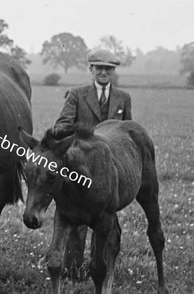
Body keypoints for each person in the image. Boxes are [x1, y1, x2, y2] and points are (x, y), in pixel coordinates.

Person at [53, 48, 132, 280]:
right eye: (99, 68)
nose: (104, 73)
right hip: (81, 167)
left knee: (106, 218)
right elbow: (61, 125)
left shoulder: (123, 98)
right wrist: (82, 138)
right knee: (77, 219)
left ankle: (101, 266)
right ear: (91, 69)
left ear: (113, 71)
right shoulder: (77, 95)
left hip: (109, 170)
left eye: (108, 69)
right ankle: (73, 269)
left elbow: (127, 132)